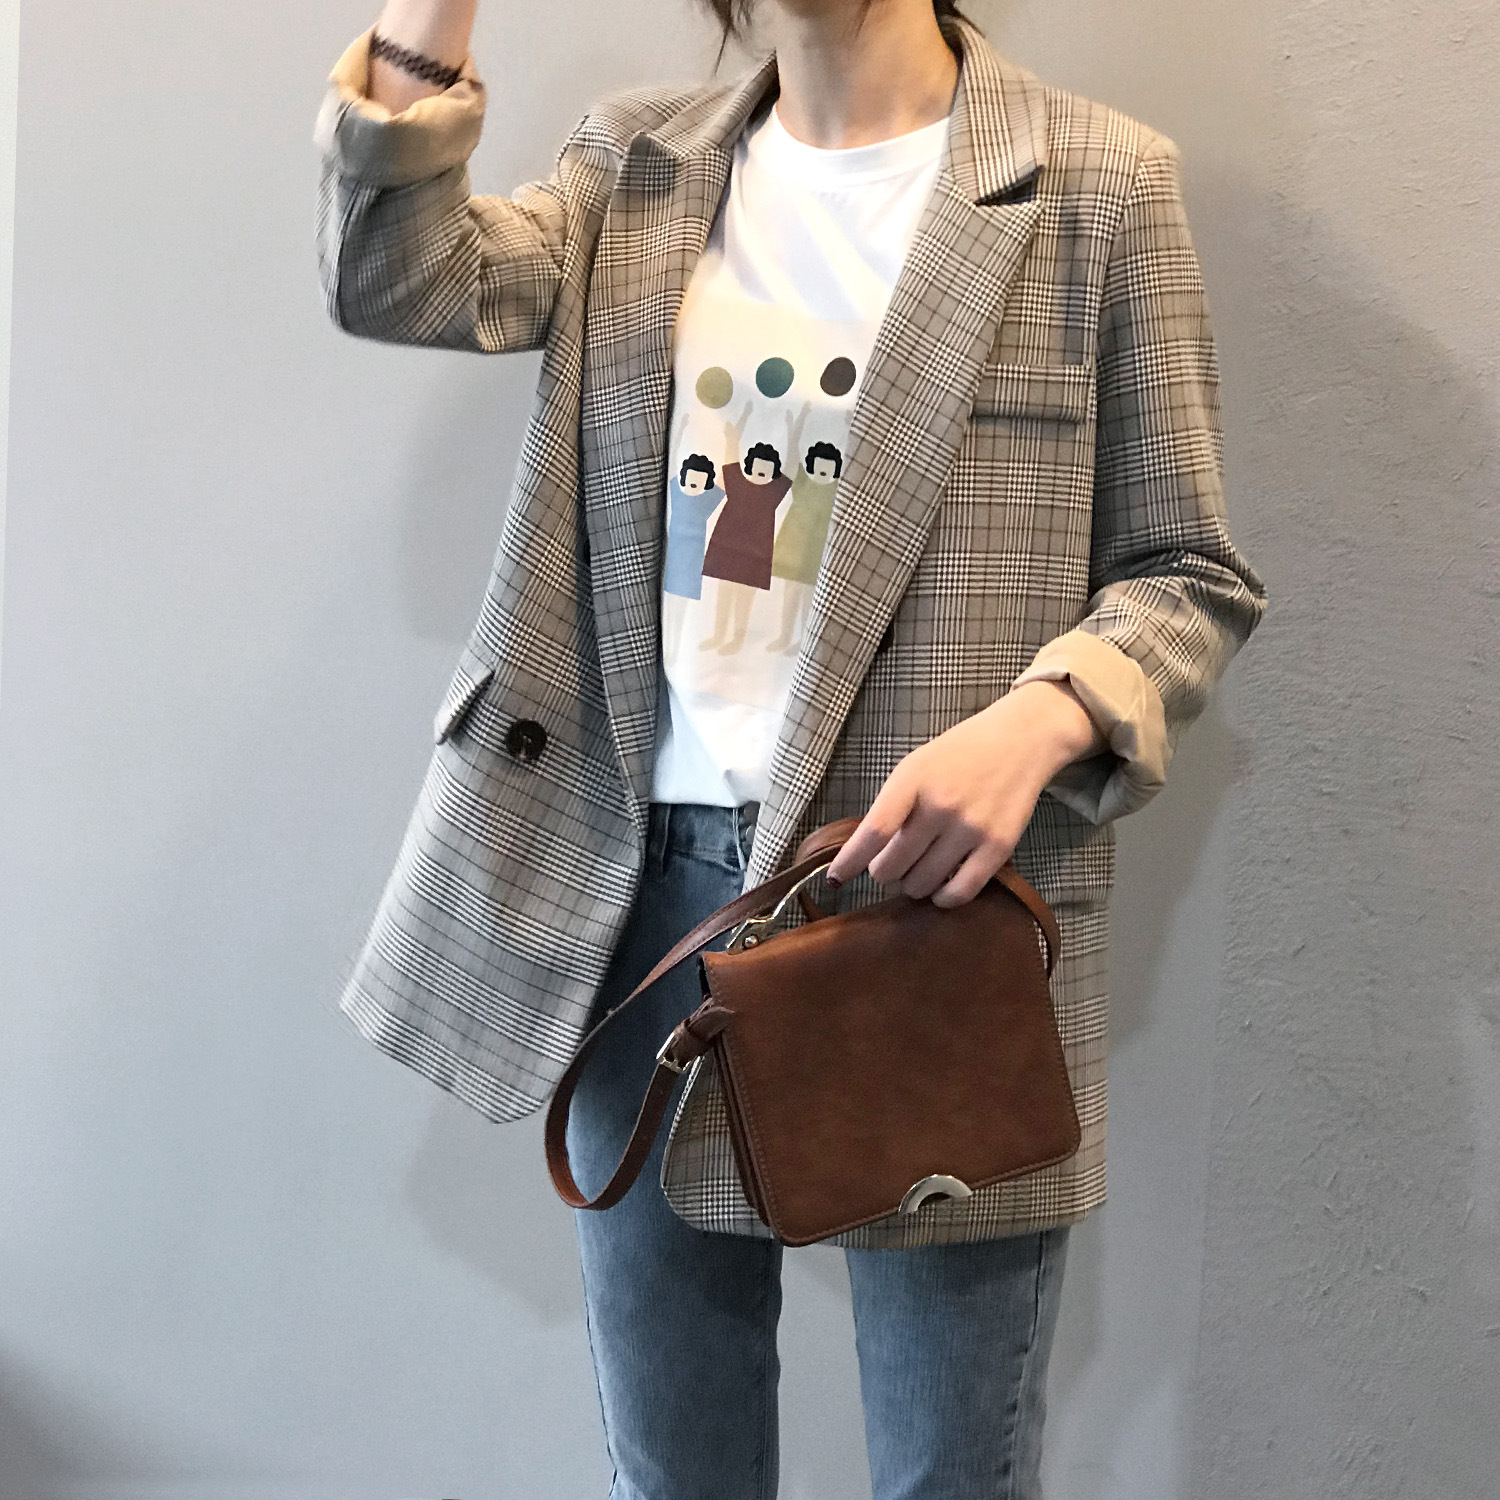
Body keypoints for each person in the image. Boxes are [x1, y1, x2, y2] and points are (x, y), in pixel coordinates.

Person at [315, 0, 1267, 1495]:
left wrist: (1042, 718)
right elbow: (392, 275)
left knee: (950, 1473)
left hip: (926, 915)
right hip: (638, 902)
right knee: (675, 1471)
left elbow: (1187, 572)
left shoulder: (1095, 185)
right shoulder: (634, 163)